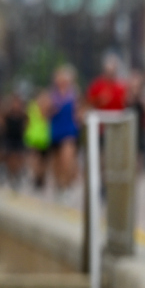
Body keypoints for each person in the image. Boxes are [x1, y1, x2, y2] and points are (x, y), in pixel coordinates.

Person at [44, 65, 82, 197]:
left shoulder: (73, 94)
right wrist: (50, 110)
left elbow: (79, 112)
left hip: (69, 131)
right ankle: (59, 186)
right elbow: (44, 114)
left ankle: (66, 186)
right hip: (55, 131)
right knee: (56, 163)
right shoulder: (51, 95)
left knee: (67, 159)